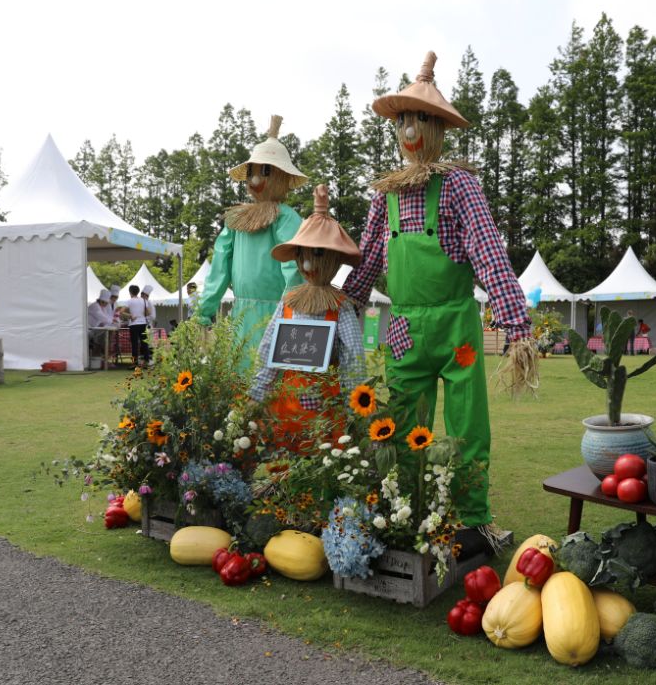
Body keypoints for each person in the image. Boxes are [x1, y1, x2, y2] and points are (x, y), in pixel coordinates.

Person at [343, 51, 533, 555]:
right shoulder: (384, 196)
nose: (409, 130)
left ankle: (472, 518)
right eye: (403, 119)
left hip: (455, 325)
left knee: (468, 422)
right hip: (403, 325)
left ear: (439, 128)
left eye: (419, 119)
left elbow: (488, 251)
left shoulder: (460, 185)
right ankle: (408, 509)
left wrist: (514, 321)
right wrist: (340, 304)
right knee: (403, 421)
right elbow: (367, 261)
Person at [251, 185, 365, 453]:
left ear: (335, 258)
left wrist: (355, 405)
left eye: (319, 254)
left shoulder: (340, 307)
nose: (308, 264)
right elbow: (268, 350)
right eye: (303, 254)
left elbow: (353, 360)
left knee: (323, 465)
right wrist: (257, 394)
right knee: (287, 465)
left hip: (326, 407)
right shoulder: (289, 301)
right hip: (286, 405)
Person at [197, 115, 305, 361]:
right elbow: (220, 266)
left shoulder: (285, 218)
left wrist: (292, 309)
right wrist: (205, 310)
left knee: (271, 382)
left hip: (277, 314)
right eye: (253, 171)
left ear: (280, 176)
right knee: (239, 377)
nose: (256, 179)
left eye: (265, 171)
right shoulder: (237, 219)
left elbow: (293, 264)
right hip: (241, 315)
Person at [127, 284, 154, 366]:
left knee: (134, 344)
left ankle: (134, 363)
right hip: (143, 323)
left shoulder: (129, 301)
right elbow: (148, 313)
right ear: (139, 292)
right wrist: (141, 315)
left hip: (133, 324)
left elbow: (121, 311)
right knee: (144, 344)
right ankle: (147, 361)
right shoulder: (144, 301)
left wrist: (130, 315)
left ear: (130, 292)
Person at [88, 289, 113, 356]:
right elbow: (103, 318)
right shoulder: (95, 306)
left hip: (94, 329)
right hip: (89, 330)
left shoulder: (102, 307)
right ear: (102, 301)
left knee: (107, 335)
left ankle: (101, 354)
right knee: (104, 337)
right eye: (106, 303)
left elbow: (107, 317)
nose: (107, 305)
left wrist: (111, 321)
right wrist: (112, 321)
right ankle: (100, 354)